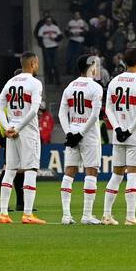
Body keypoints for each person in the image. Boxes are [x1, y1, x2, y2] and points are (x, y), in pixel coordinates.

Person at [0, 54, 46, 224]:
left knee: (10, 170)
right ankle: (28, 214)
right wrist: (18, 128)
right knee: (31, 169)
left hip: (11, 131)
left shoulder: (11, 82)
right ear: (32, 63)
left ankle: (3, 214)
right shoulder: (35, 83)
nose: (37, 65)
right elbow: (33, 110)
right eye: (36, 63)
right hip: (27, 131)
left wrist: (8, 127)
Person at [104, 46, 136, 226]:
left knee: (116, 175)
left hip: (118, 135)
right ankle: (131, 216)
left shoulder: (114, 81)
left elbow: (108, 108)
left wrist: (117, 128)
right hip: (134, 136)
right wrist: (129, 130)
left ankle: (107, 215)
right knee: (133, 175)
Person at [58, 55, 104, 225]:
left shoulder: (69, 87)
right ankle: (87, 215)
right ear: (90, 67)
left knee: (69, 171)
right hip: (89, 135)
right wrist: (81, 133)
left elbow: (62, 113)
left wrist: (69, 132)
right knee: (91, 171)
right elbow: (95, 114)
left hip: (72, 132)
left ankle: (66, 215)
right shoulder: (95, 87)